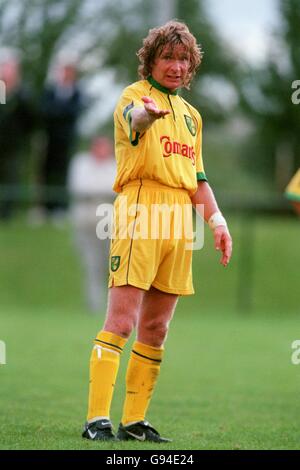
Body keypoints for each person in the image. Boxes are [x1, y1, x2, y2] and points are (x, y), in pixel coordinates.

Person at [82, 20, 232, 443]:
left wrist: (217, 223)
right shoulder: (135, 97)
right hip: (141, 210)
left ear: (192, 66)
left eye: (184, 58)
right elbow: (134, 118)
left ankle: (134, 421)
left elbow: (198, 178)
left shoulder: (192, 117)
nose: (176, 66)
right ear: (151, 60)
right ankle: (96, 419)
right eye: (168, 56)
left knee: (156, 328)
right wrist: (146, 115)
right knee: (123, 320)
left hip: (178, 221)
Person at [68, 137, 116, 313]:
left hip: (108, 223)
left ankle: (113, 307)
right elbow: (79, 187)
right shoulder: (81, 163)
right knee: (91, 265)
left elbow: (116, 188)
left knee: (112, 266)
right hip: (85, 221)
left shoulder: (113, 166)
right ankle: (94, 306)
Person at [40, 62, 84, 216]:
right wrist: (60, 111)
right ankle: (46, 207)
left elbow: (73, 113)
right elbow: (45, 111)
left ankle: (61, 207)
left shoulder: (77, 93)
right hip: (50, 140)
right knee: (47, 172)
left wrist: (58, 110)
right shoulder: (51, 91)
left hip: (67, 141)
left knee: (65, 173)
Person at [0, 50, 34, 220]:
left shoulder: (22, 94)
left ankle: (6, 214)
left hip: (12, 146)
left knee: (10, 178)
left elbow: (29, 119)